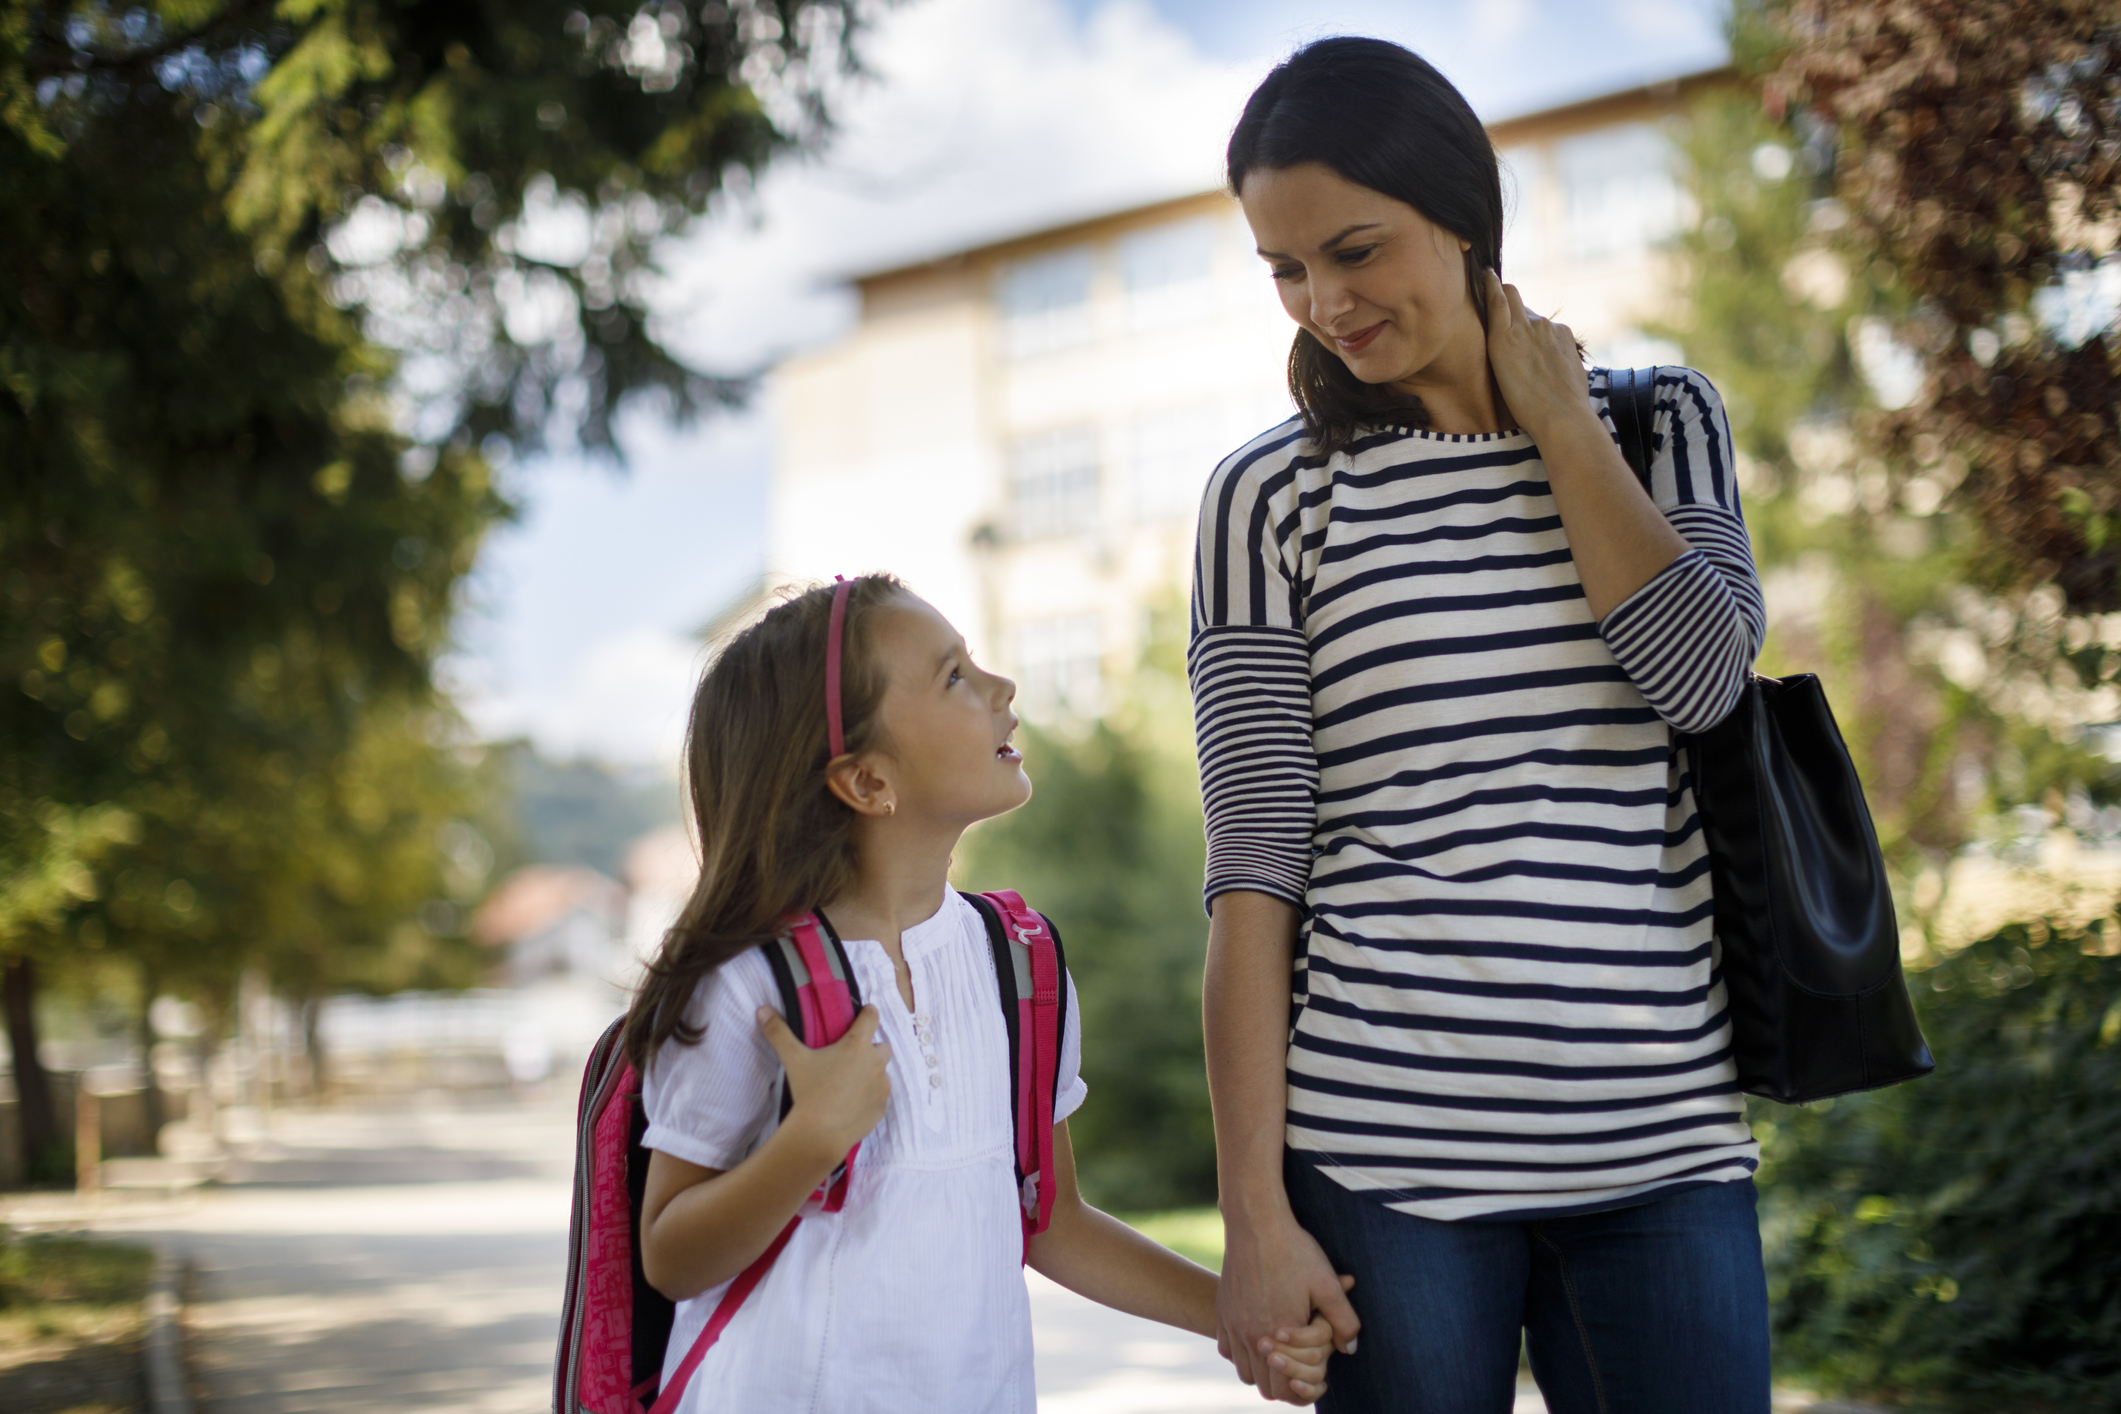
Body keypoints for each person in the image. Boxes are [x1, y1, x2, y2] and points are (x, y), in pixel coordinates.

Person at [1192, 37, 1773, 1414]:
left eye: (1353, 249)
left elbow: (1701, 685)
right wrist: (1255, 1219)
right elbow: (1257, 863)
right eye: (1284, 267)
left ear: (1462, 215)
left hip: (1665, 1149)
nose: (1323, 302)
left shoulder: (1659, 421)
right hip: (1386, 1167)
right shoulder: (1269, 498)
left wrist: (1561, 425)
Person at [623, 575, 1340, 1411]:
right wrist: (809, 1138)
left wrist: (1239, 1319)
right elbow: (669, 1255)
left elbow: (1052, 1222)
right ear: (865, 783)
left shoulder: (1016, 963)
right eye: (954, 676)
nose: (1002, 689)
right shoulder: (750, 983)